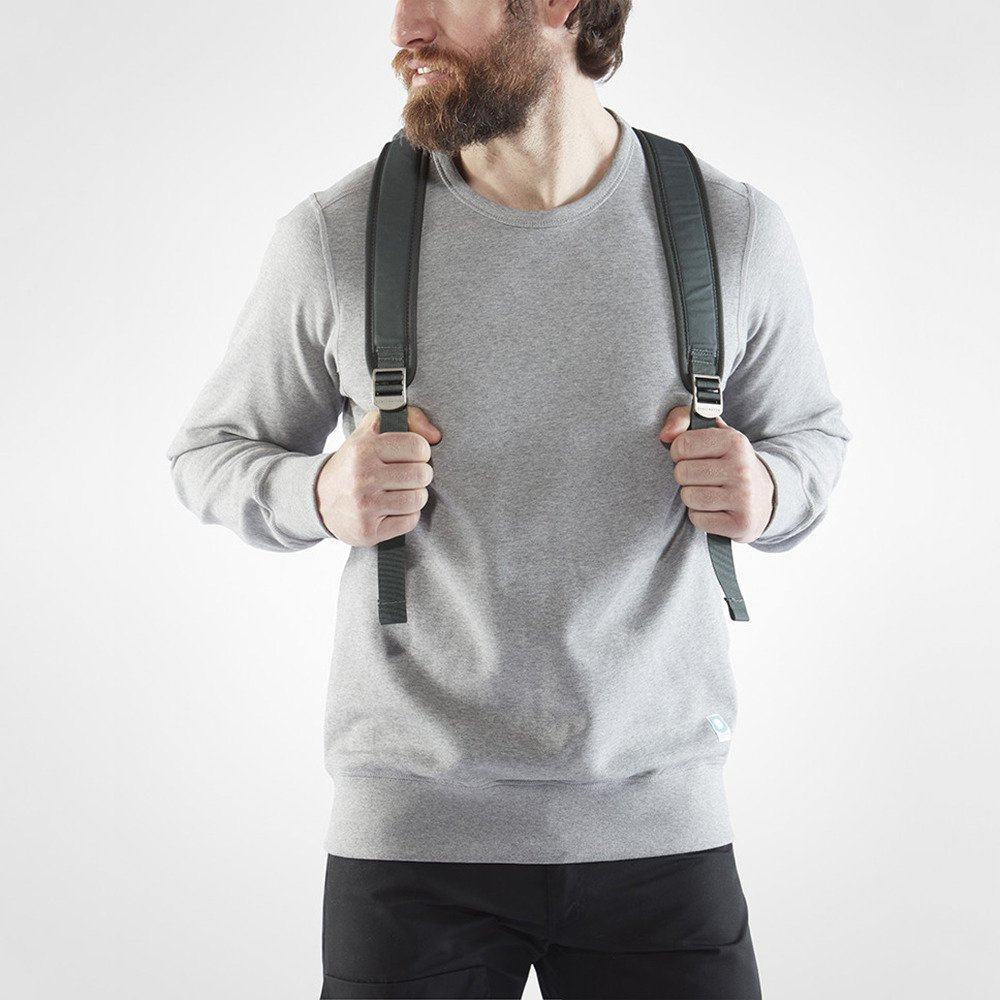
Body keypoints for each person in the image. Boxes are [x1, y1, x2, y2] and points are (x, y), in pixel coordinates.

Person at [165, 1, 852, 996]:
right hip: (412, 843)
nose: (404, 26)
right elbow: (209, 453)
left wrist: (769, 487)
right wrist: (317, 490)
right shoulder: (337, 235)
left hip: (660, 834)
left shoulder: (729, 228)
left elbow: (813, 437)